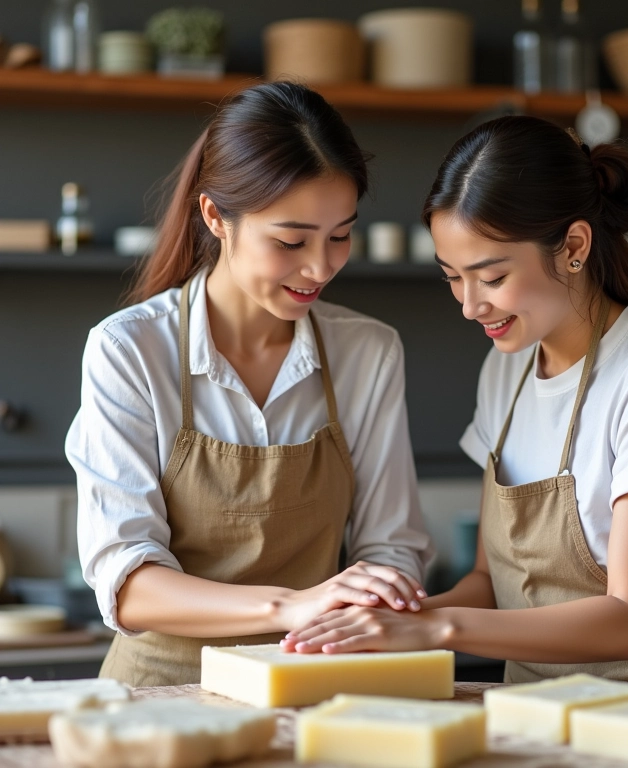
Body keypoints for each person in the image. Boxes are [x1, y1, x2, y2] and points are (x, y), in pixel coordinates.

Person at [281, 115, 628, 696]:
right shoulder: (508, 368)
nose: (470, 306)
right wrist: (391, 620)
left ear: (573, 246)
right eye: (453, 277)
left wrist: (434, 627)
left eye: (491, 276)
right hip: (536, 712)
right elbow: (488, 579)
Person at [65, 82, 433, 687]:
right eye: (290, 241)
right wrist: (292, 605)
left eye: (340, 235)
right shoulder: (130, 349)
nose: (320, 267)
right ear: (216, 217)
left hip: (311, 682)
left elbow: (392, 545)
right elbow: (128, 584)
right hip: (157, 692)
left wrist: (380, 589)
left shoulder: (368, 352)